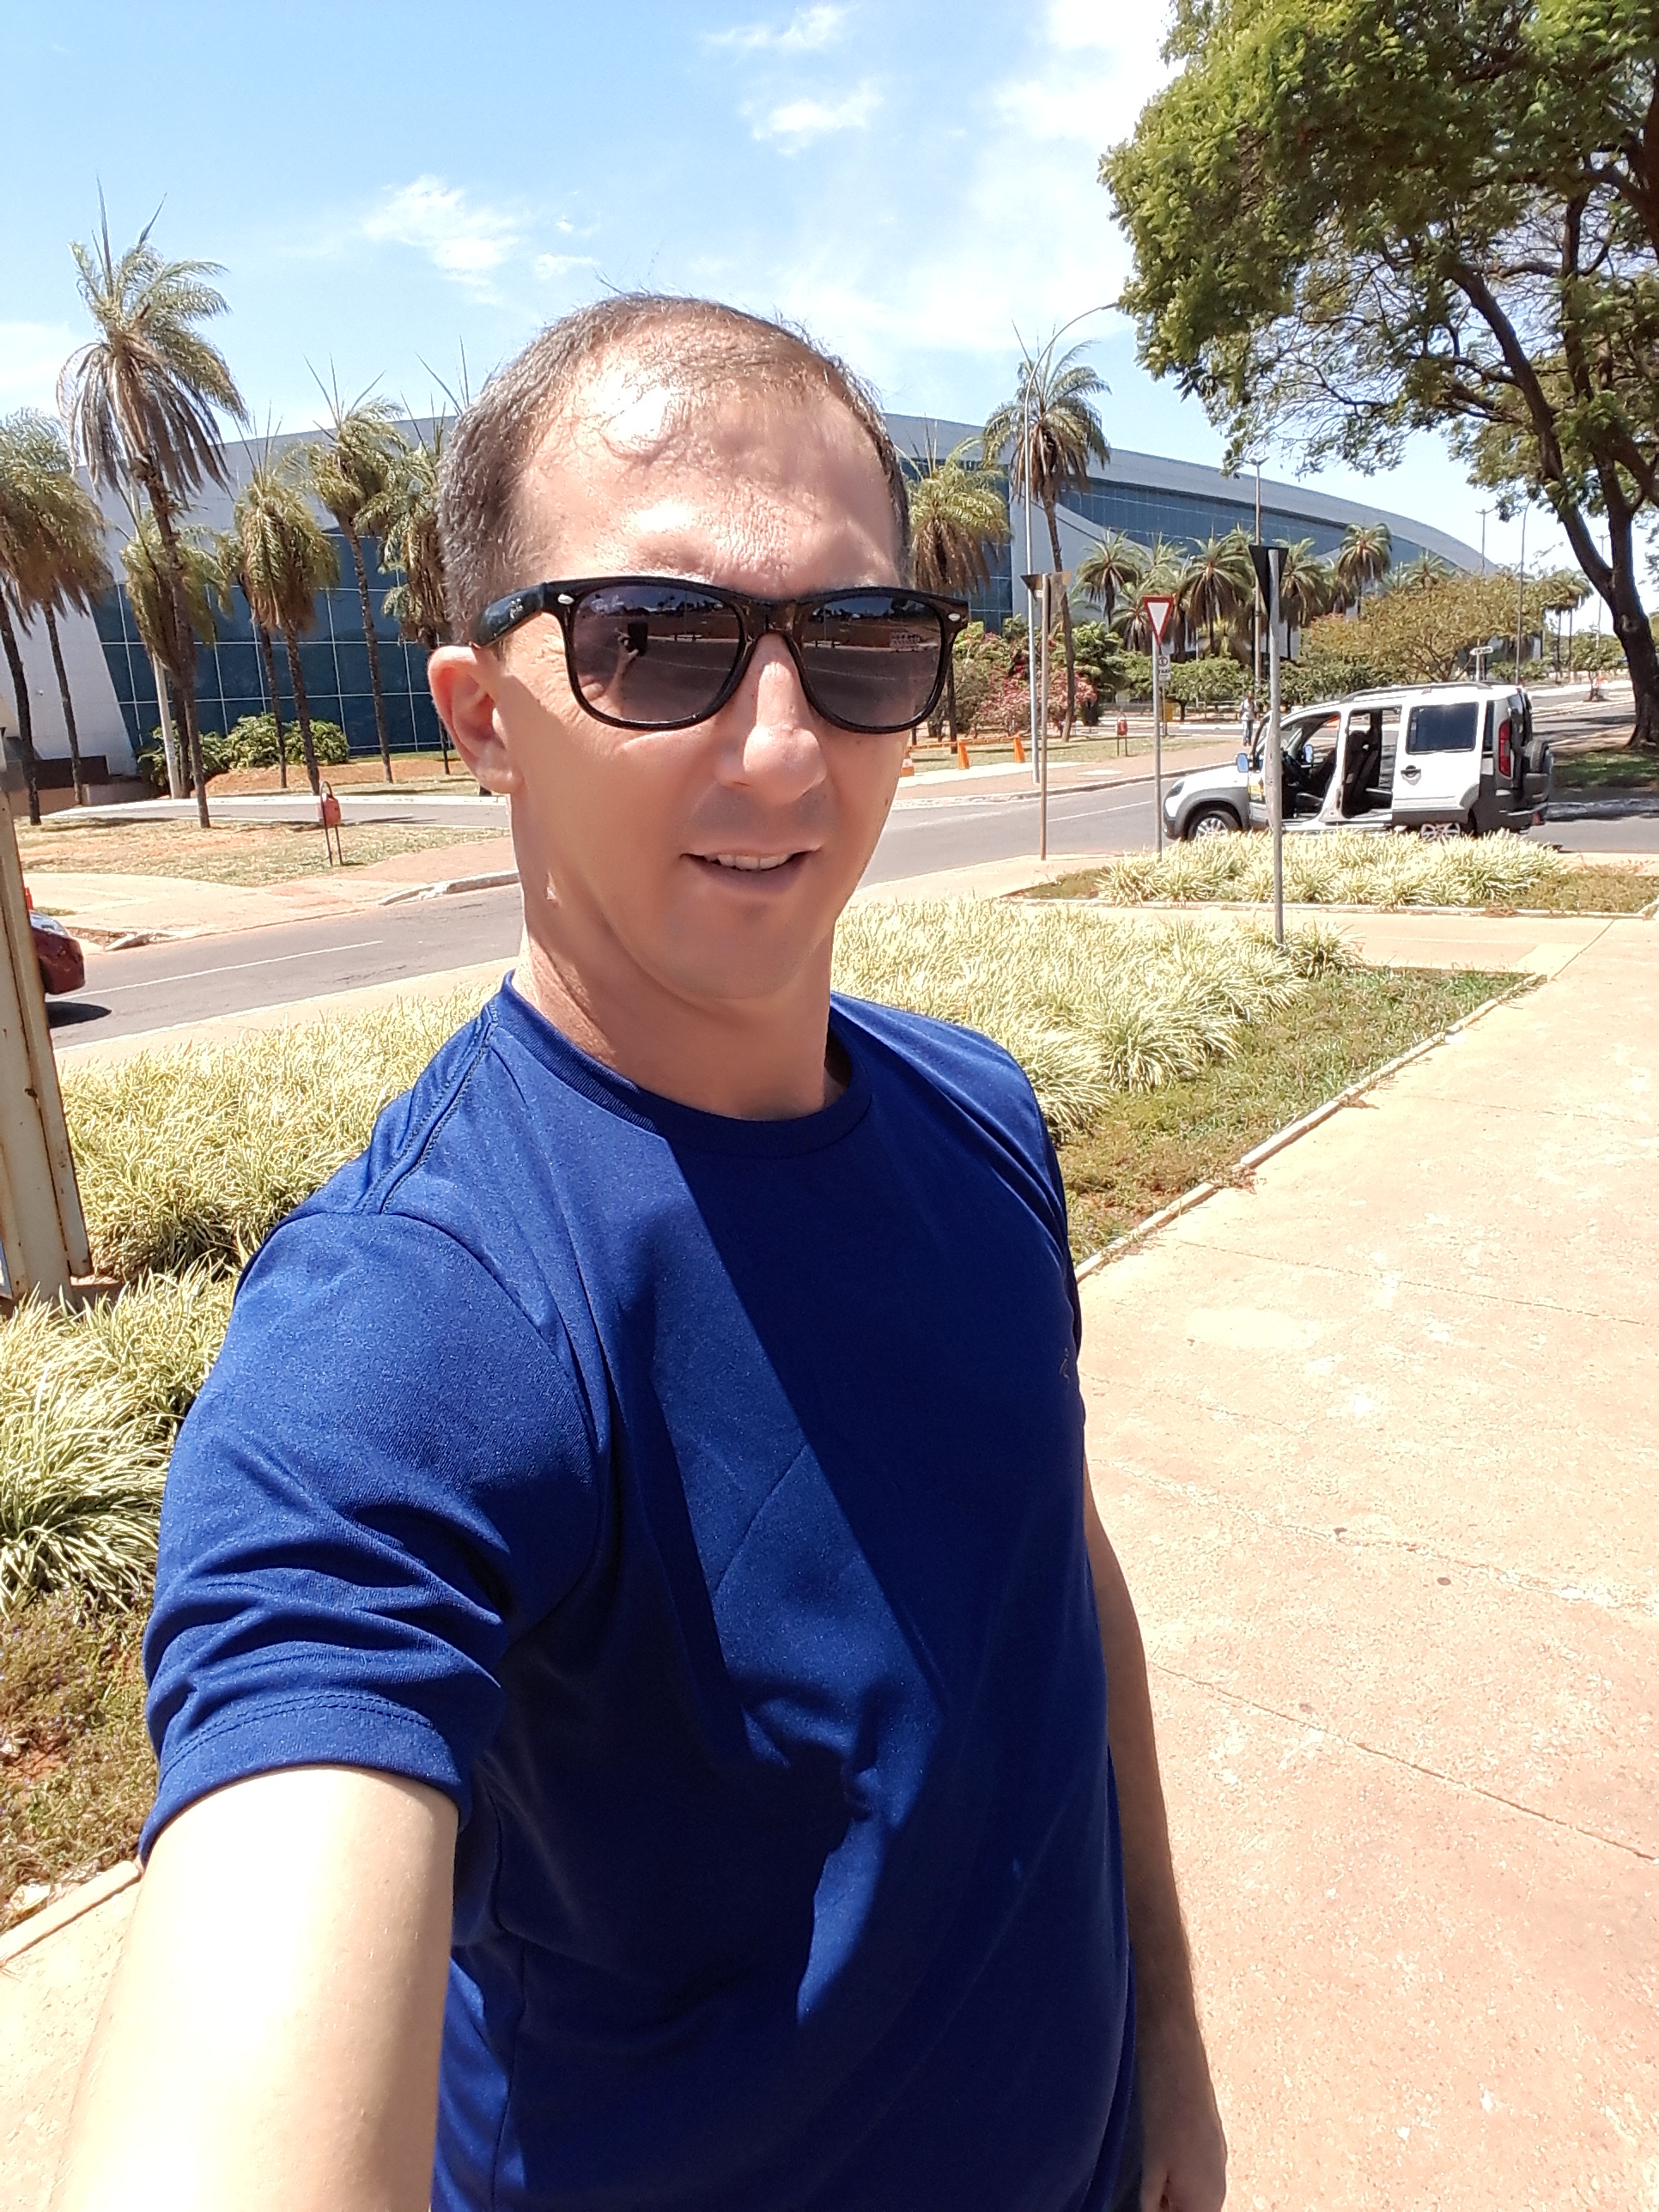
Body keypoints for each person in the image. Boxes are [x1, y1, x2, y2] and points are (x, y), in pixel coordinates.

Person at [52, 297, 1226, 2212]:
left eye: (858, 645)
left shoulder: (981, 1117)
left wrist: (1167, 2045)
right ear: (480, 716)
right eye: (653, 643)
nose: (780, 749)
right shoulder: (417, 1327)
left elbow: (1057, 1584)